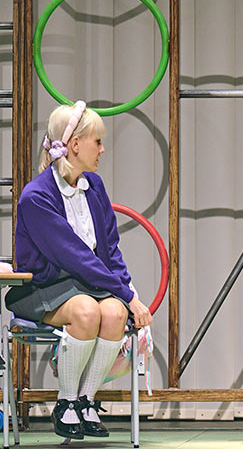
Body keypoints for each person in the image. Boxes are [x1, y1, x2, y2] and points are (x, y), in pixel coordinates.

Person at [7, 101, 153, 440]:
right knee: (88, 312)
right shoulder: (37, 197)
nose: (102, 148)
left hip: (87, 282)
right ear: (74, 145)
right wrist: (127, 294)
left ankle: (86, 400)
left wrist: (128, 292)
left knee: (115, 314)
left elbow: (110, 249)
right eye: (97, 141)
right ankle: (66, 402)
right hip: (44, 286)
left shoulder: (95, 187)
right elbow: (74, 256)